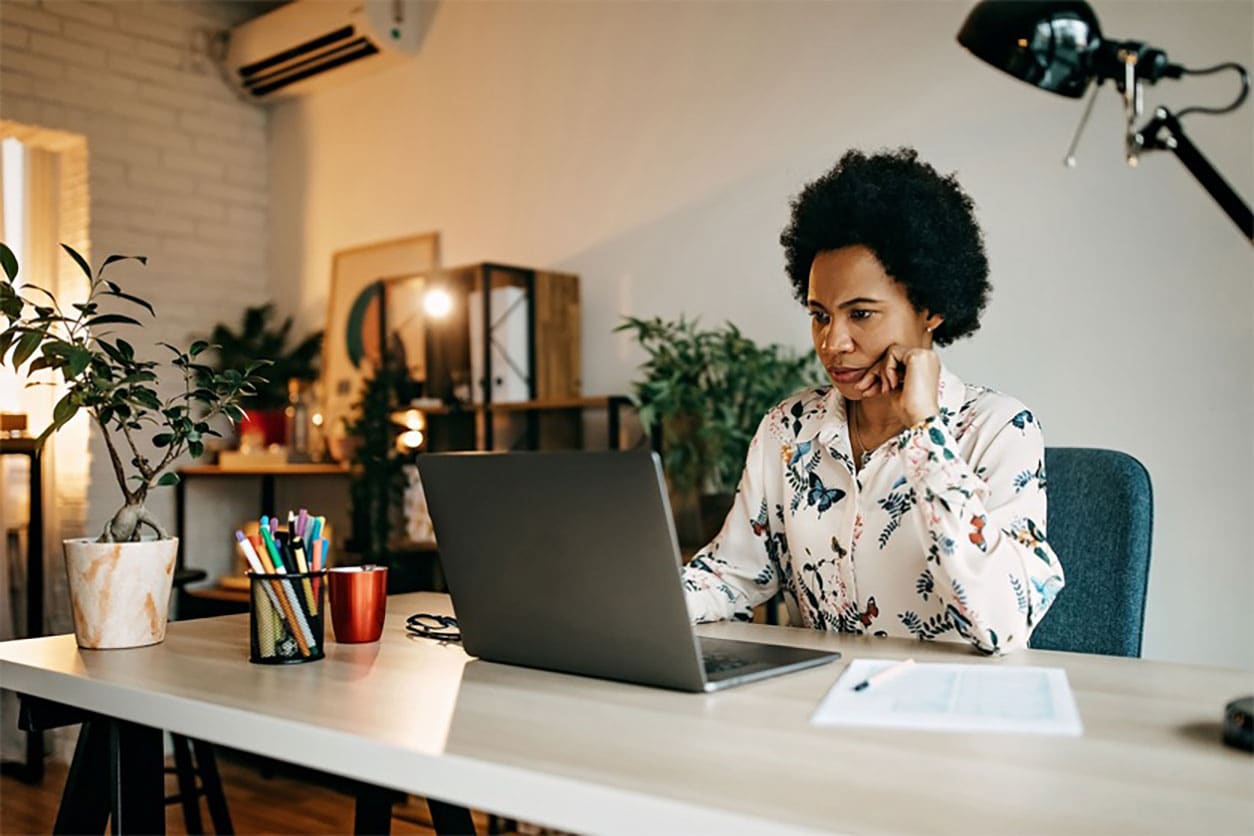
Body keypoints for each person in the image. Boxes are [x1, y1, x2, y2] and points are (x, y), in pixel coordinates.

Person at [681, 148, 1064, 654]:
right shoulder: (789, 428)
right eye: (819, 315)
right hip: (814, 707)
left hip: (949, 715)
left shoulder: (998, 429)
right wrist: (628, 600)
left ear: (930, 309)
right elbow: (733, 574)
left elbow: (1003, 622)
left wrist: (925, 430)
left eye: (860, 314)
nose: (831, 342)